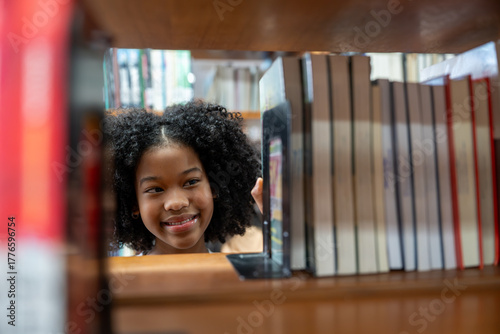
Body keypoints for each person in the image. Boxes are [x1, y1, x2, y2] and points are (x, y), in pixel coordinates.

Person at [105, 101, 263, 255]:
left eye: (191, 182)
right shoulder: (119, 280)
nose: (176, 203)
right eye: (155, 189)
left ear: (214, 187)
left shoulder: (236, 276)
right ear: (134, 203)